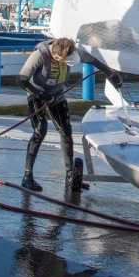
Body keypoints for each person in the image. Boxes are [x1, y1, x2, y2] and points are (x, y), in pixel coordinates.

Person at [19, 37, 80, 192]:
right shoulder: (40, 55)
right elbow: (22, 80)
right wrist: (40, 94)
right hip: (36, 94)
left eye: (64, 61)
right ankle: (27, 177)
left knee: (66, 131)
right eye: (59, 59)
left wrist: (110, 73)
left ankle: (70, 176)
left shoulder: (72, 53)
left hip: (57, 95)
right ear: (54, 52)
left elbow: (92, 60)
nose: (61, 62)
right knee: (41, 130)